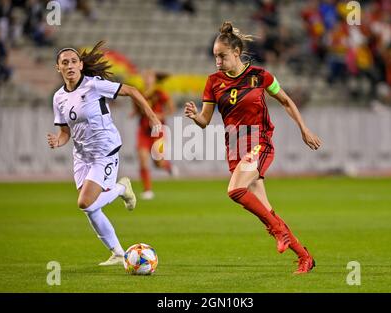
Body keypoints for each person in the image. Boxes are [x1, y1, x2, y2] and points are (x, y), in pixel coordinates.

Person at [184, 22, 322, 274]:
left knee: (235, 190)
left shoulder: (260, 75)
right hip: (235, 147)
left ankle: (279, 232)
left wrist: (304, 128)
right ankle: (305, 257)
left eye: (222, 56)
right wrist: (195, 116)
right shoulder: (213, 82)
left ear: (236, 53)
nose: (217, 61)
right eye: (215, 56)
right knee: (265, 209)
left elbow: (286, 101)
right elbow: (205, 121)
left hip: (259, 142)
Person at [47, 41, 162, 266]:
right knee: (90, 209)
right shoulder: (58, 97)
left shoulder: (94, 85)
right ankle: (118, 253)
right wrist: (58, 141)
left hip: (105, 151)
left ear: (80, 65)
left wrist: (152, 116)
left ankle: (121, 188)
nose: (69, 65)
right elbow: (64, 132)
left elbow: (131, 91)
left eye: (73, 61)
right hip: (82, 156)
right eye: (64, 63)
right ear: (58, 68)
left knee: (86, 203)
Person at [132, 69, 176, 200]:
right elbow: (136, 109)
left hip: (158, 131)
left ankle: (168, 166)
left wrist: (159, 115)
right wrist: (134, 113)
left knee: (158, 162)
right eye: (145, 76)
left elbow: (171, 108)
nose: (147, 79)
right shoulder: (138, 92)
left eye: (149, 77)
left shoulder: (159, 93)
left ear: (154, 79)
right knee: (143, 159)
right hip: (143, 131)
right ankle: (147, 190)